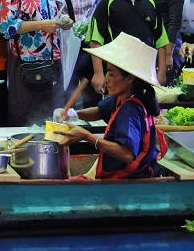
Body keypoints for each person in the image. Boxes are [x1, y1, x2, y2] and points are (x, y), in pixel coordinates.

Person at [54, 32, 166, 179]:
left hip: (132, 182)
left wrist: (87, 136)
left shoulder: (130, 110)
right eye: (107, 72)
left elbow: (127, 154)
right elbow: (99, 112)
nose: (107, 79)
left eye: (112, 74)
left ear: (130, 78)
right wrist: (73, 114)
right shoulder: (126, 98)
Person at [0, 0, 73, 127]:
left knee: (53, 116)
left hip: (52, 60)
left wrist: (62, 21)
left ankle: (52, 157)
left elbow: (49, 15)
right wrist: (42, 25)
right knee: (24, 118)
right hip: (26, 63)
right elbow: (6, 27)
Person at [87, 0, 169, 94]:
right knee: (118, 110)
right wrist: (98, 72)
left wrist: (161, 71)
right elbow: (95, 40)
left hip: (146, 72)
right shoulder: (107, 3)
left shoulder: (151, 4)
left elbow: (161, 42)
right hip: (117, 73)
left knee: (145, 111)